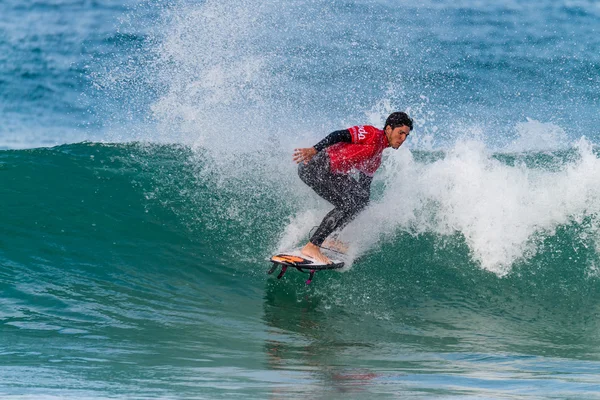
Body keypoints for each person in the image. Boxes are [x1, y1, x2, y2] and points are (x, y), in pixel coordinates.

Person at [293, 111, 413, 264]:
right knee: (348, 203)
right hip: (316, 165)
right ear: (389, 129)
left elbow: (364, 190)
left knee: (361, 200)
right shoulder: (372, 134)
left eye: (406, 135)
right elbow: (339, 134)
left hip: (330, 173)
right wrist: (314, 149)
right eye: (400, 133)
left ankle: (331, 238)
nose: (402, 139)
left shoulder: (376, 158)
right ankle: (312, 246)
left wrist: (363, 205)